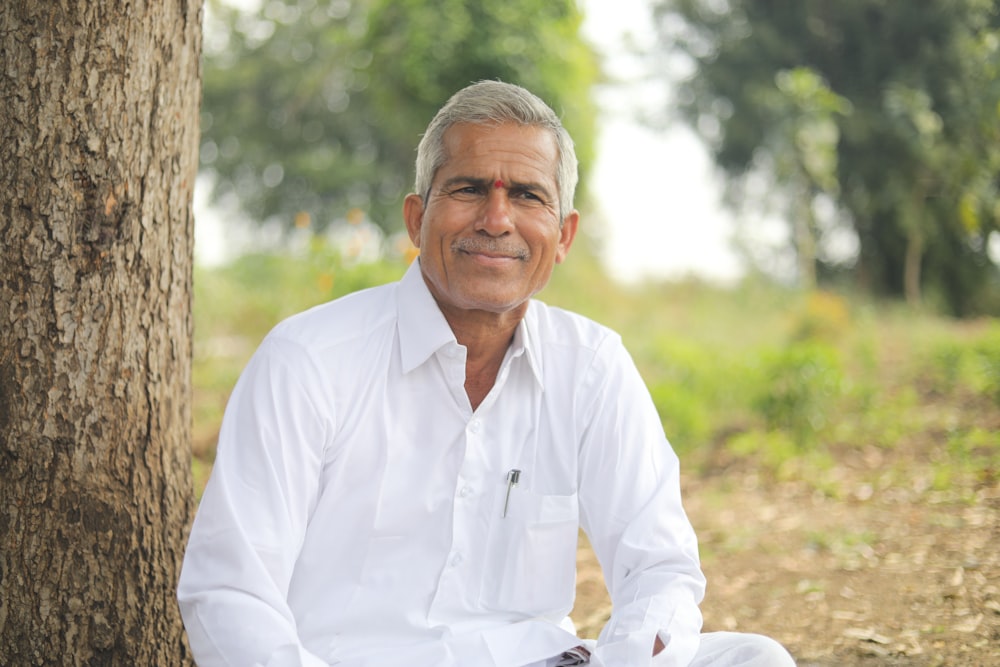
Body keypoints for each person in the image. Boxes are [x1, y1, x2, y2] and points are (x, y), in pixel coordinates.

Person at [177, 80, 796, 667]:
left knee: (755, 659)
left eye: (528, 195)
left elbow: (660, 568)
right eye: (470, 188)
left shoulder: (591, 366)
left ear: (563, 235)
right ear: (417, 219)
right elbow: (230, 591)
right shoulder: (310, 359)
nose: (497, 219)